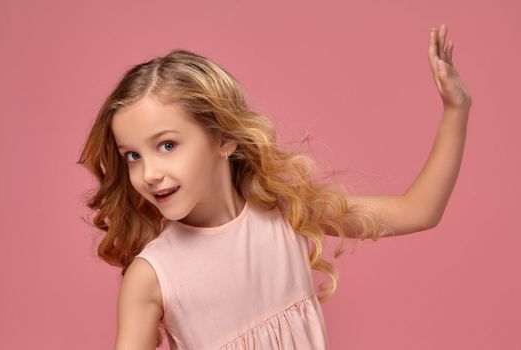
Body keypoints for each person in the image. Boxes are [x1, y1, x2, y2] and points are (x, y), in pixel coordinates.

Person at [77, 23, 472, 349]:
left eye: (167, 145)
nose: (148, 173)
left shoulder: (286, 211)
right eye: (133, 156)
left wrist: (456, 110)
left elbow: (419, 210)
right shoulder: (152, 276)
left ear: (224, 139)